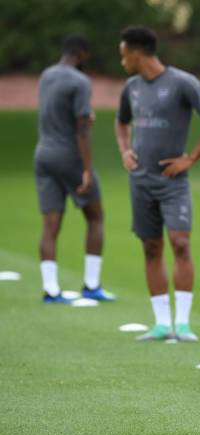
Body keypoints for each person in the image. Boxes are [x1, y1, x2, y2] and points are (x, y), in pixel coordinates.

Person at [114, 26, 200, 342]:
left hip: (173, 182)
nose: (122, 62)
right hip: (140, 181)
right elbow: (121, 122)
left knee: (180, 243)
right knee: (151, 247)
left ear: (137, 53)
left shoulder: (182, 82)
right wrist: (124, 150)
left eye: (124, 55)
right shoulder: (131, 87)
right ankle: (162, 324)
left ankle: (184, 323)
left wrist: (189, 158)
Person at [35, 34, 115, 304]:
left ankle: (51, 290)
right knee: (95, 216)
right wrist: (87, 169)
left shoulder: (46, 75)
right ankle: (91, 285)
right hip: (68, 154)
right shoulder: (80, 81)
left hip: (43, 154)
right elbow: (81, 129)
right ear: (82, 54)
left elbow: (56, 112)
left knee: (50, 224)